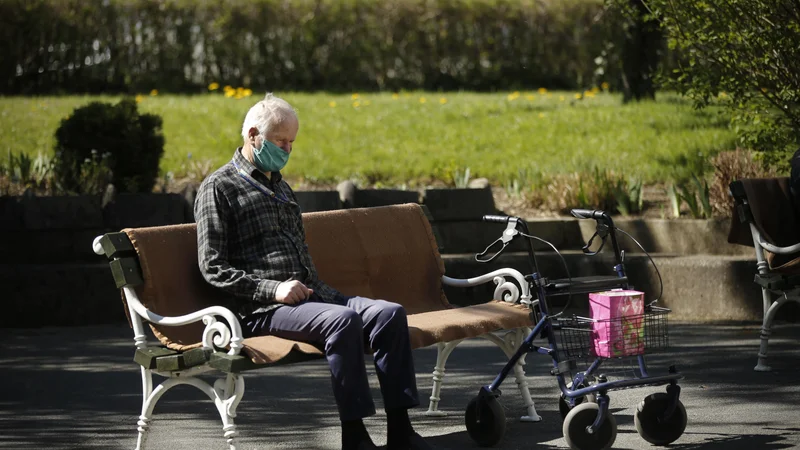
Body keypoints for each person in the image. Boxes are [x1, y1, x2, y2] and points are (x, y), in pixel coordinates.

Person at [194, 93, 433, 450]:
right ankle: (354, 435)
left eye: (292, 142)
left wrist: (311, 289)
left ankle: (401, 430)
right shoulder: (219, 187)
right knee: (341, 321)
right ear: (253, 135)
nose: (288, 150)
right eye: (280, 141)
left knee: (389, 315)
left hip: (313, 296)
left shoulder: (279, 186)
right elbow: (212, 266)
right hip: (262, 309)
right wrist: (271, 289)